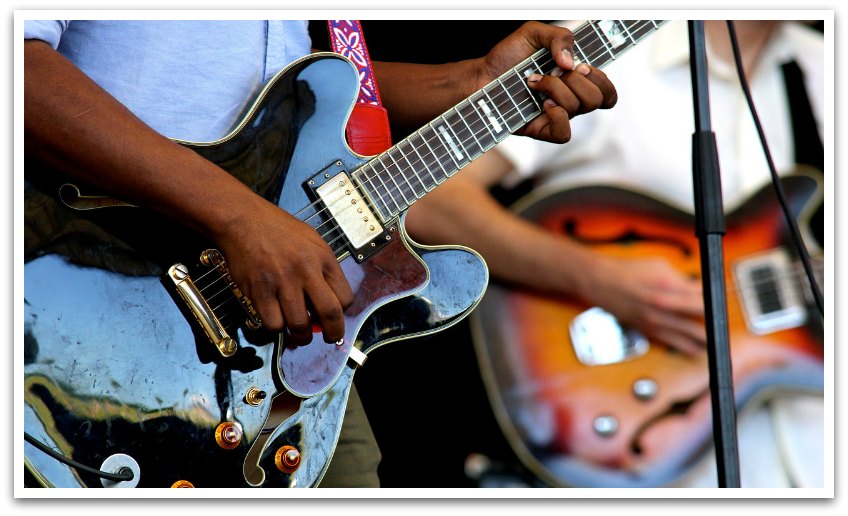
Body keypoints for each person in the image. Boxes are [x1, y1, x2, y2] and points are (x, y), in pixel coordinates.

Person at [23, 19, 617, 488]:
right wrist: (241, 217)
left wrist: (467, 82)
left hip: (278, 343)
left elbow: (286, 88)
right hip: (87, 293)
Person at [404, 20, 825, 488]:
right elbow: (426, 196)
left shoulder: (825, 68)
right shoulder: (603, 39)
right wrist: (601, 279)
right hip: (649, 449)